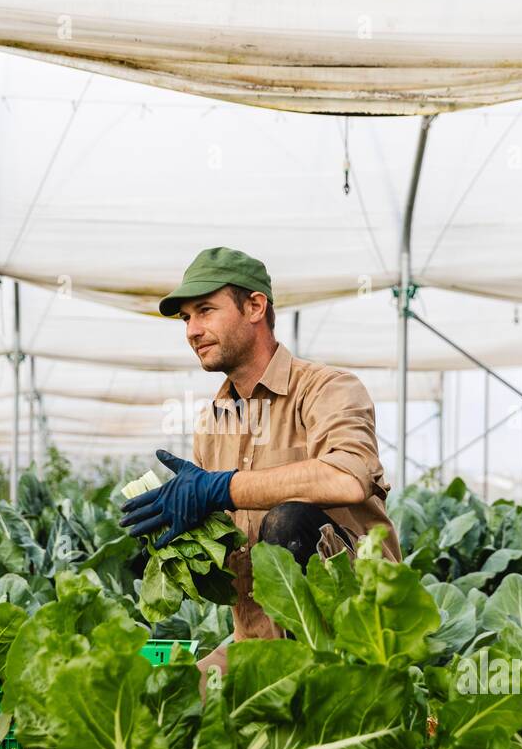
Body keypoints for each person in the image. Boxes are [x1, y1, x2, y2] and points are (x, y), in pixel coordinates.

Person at [120, 247, 400, 678]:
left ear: (254, 306)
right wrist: (183, 544)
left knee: (287, 521)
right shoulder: (212, 424)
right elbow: (227, 558)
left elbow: (347, 477)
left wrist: (223, 487)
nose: (192, 330)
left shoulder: (329, 389)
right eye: (186, 319)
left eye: (205, 311)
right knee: (157, 706)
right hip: (258, 646)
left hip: (357, 643)